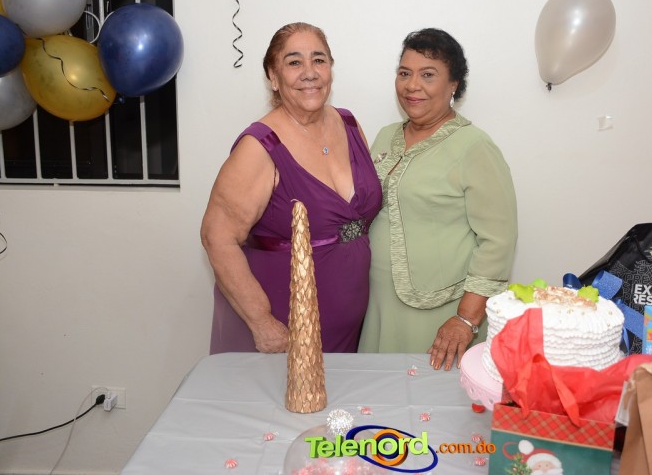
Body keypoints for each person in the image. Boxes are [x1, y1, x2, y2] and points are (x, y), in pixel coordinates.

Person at [201, 22, 382, 354]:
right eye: (294, 62)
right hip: (285, 324)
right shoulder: (259, 147)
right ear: (274, 76)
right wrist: (261, 322)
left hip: (351, 319)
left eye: (319, 60)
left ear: (330, 69)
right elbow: (218, 238)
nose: (309, 73)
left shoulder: (349, 124)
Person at [359, 28, 517, 370]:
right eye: (404, 73)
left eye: (428, 75)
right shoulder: (386, 136)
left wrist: (466, 319)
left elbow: (498, 242)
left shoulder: (474, 147)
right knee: (380, 392)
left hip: (442, 312)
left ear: (453, 84)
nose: (412, 85)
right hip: (379, 304)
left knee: (430, 396)